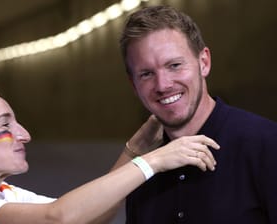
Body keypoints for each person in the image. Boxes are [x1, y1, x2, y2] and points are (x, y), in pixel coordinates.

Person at [0, 79, 220, 224]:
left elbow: (86, 216)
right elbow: (59, 217)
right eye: (5, 125)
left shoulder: (5, 195)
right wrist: (155, 160)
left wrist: (135, 150)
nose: (24, 135)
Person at [117, 5, 277, 223]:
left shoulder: (266, 144)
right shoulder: (142, 172)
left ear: (204, 63)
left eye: (174, 65)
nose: (162, 85)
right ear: (133, 85)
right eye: (146, 74)